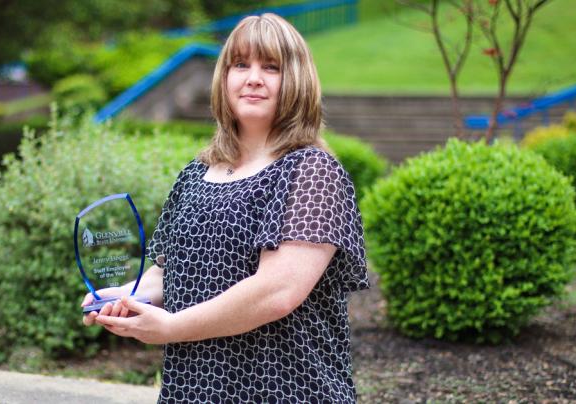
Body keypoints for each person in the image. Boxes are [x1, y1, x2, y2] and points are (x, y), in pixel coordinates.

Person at [82, 13, 369, 403]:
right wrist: (125, 298)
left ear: (297, 82)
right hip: (195, 389)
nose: (253, 78)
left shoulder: (312, 171)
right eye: (240, 64)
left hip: (284, 389)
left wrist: (171, 327)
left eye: (271, 67)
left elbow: (277, 291)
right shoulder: (197, 173)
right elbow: (173, 271)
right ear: (224, 77)